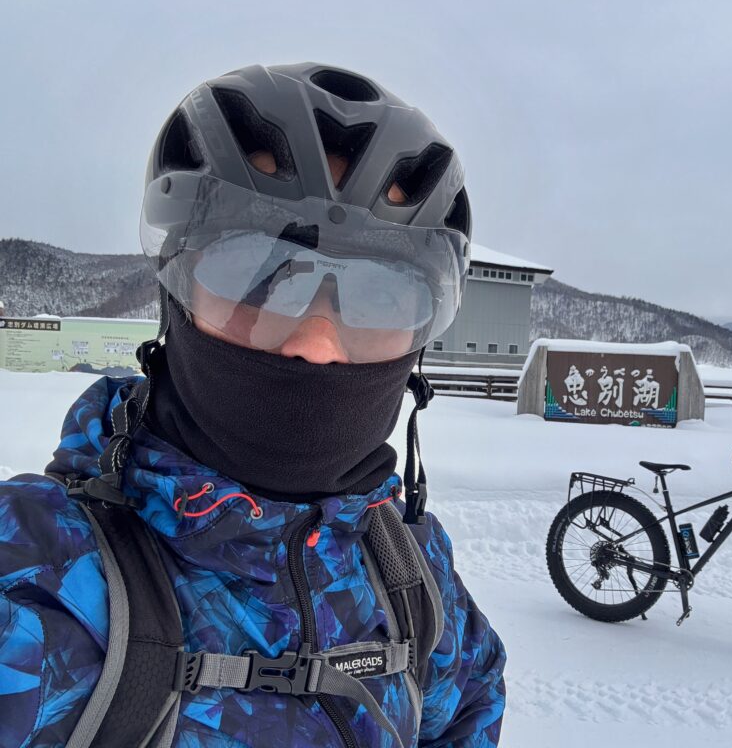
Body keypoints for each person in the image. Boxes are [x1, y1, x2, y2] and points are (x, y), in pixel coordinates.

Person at [0, 63, 506, 747]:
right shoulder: (38, 570)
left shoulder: (406, 564)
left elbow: (467, 704)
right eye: (259, 275)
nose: (318, 344)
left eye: (381, 295)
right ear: (175, 292)